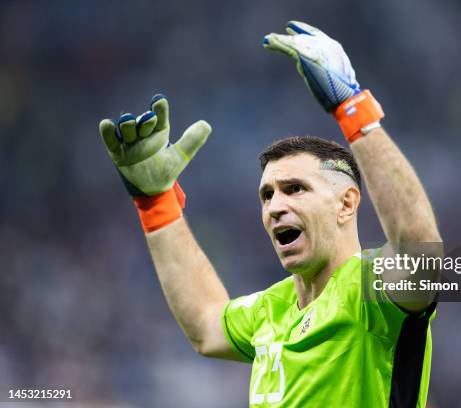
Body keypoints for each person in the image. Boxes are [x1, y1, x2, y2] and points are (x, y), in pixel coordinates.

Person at [99, 21, 442, 408]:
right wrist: (156, 202)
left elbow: (421, 254)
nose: (275, 206)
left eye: (295, 189)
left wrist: (354, 110)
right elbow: (204, 326)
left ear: (346, 203)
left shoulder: (370, 292)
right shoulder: (270, 309)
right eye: (267, 195)